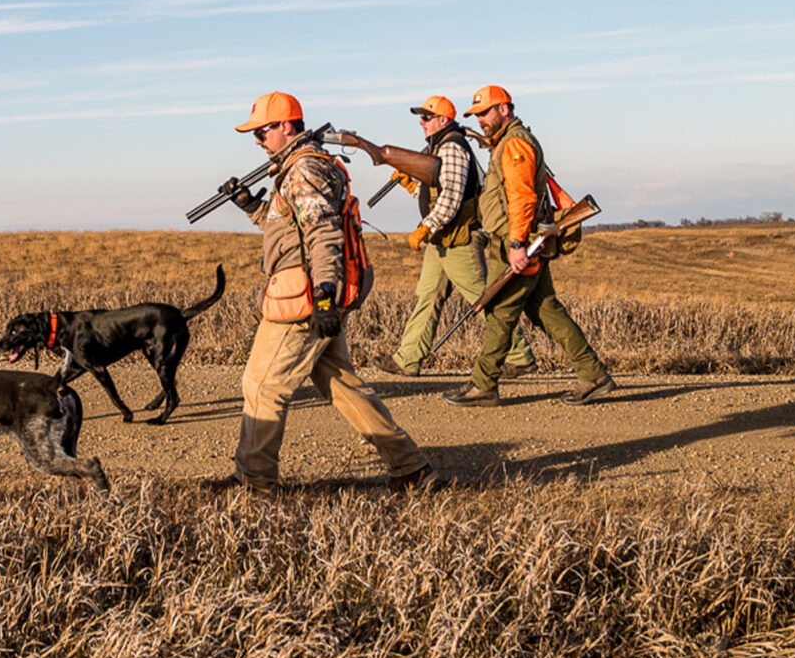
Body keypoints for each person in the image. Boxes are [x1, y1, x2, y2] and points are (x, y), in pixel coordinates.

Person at [206, 91, 435, 491]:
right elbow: (288, 230)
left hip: (306, 297)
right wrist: (249, 205)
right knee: (341, 383)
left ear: (286, 126)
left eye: (262, 133)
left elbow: (324, 237)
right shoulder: (300, 167)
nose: (258, 141)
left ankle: (254, 482)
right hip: (317, 292)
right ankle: (412, 470)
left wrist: (324, 299)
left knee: (262, 385)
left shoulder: (304, 169)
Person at [443, 84, 616, 407]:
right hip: (521, 238)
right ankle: (593, 375)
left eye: (485, 112)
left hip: (518, 240)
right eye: (476, 114)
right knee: (546, 310)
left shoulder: (515, 144)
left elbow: (523, 197)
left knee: (500, 312)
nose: (480, 119)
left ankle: (483, 385)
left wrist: (516, 243)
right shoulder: (507, 142)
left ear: (505, 109)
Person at [374, 94, 536, 379]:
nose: (422, 123)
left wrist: (426, 227)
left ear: (444, 120)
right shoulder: (440, 148)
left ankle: (519, 356)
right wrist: (412, 185)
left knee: (483, 297)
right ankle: (407, 358)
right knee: (428, 295)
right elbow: (436, 195)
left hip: (459, 237)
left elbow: (452, 197)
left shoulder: (452, 148)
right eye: (421, 118)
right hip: (443, 237)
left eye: (426, 117)